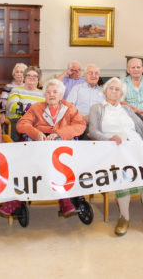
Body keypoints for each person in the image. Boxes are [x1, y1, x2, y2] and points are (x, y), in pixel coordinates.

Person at [88, 77, 143, 236]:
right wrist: (109, 139)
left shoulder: (127, 109)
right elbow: (93, 131)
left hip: (136, 146)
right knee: (122, 172)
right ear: (106, 91)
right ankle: (124, 217)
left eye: (118, 90)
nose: (114, 92)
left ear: (122, 93)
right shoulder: (97, 108)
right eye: (111, 88)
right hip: (114, 150)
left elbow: (142, 127)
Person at [14, 79, 86, 216]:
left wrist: (59, 133)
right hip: (41, 146)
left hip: (62, 148)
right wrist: (36, 133)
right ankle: (63, 199)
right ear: (44, 95)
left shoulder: (70, 108)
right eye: (48, 92)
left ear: (61, 95)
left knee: (56, 159)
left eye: (55, 92)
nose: (51, 95)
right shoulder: (36, 108)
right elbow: (21, 124)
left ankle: (63, 199)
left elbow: (80, 125)